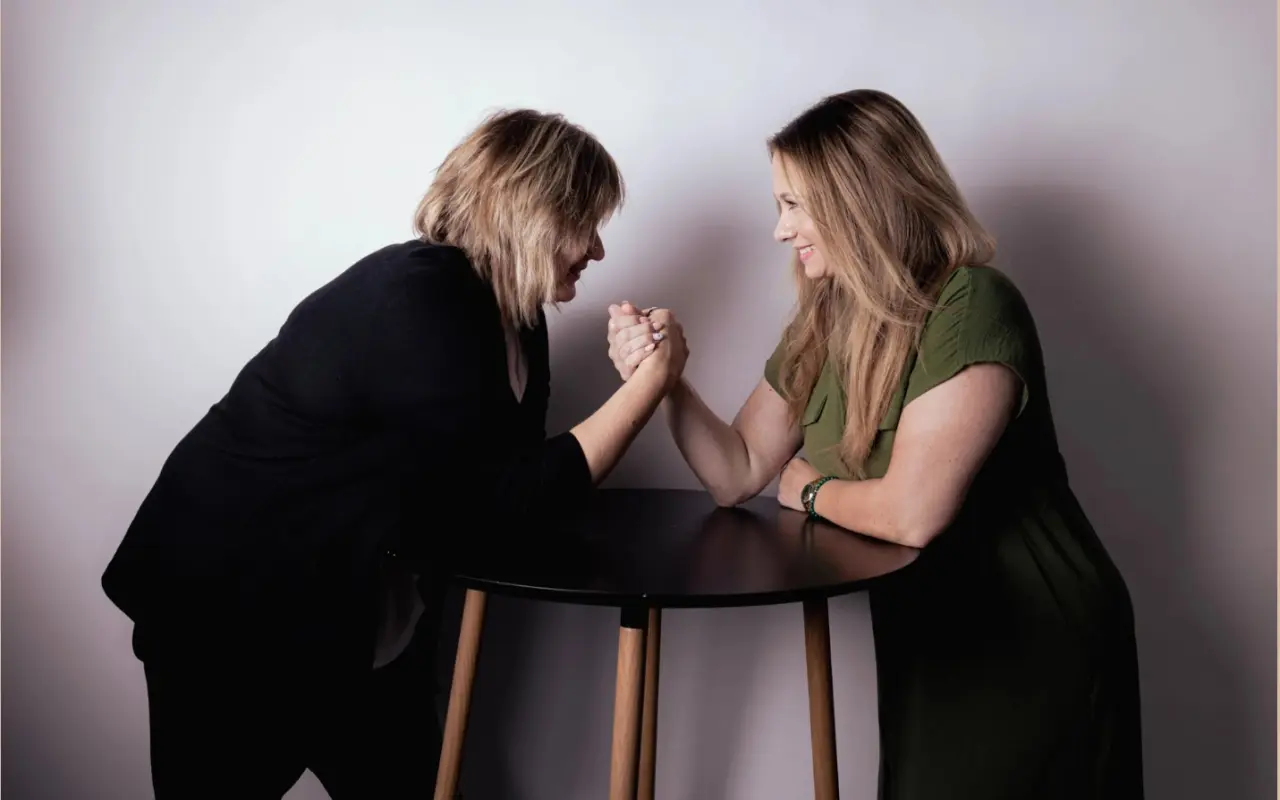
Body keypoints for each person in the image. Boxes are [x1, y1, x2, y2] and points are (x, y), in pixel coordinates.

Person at [101, 108, 687, 799]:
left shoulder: (518, 319)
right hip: (232, 619)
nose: (598, 250)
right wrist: (649, 386)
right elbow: (502, 505)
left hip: (356, 618)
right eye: (585, 223)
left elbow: (509, 484)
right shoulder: (421, 297)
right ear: (533, 215)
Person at [607, 89, 1144, 799]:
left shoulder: (972, 305)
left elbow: (912, 514)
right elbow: (737, 471)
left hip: (1032, 634)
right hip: (931, 636)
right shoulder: (828, 318)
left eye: (793, 205)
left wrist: (810, 490)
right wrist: (666, 379)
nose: (779, 230)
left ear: (855, 199)